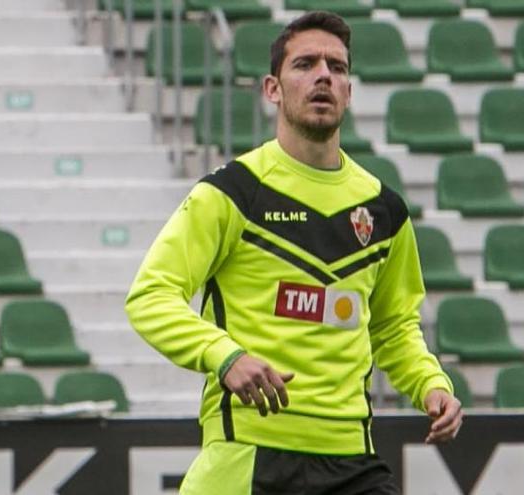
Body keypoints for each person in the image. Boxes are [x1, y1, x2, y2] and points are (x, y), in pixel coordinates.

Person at [125, 11, 462, 494]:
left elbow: (393, 325)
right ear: (272, 89)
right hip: (247, 451)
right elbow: (150, 296)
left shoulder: (383, 210)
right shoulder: (231, 193)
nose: (324, 75)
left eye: (338, 67)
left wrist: (431, 384)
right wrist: (226, 356)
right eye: (305, 64)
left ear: (348, 90)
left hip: (352, 460)